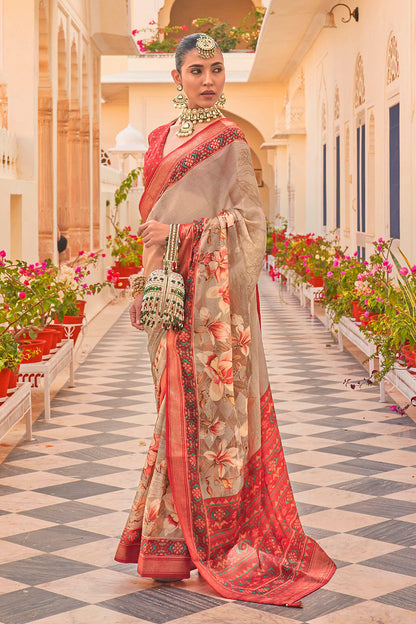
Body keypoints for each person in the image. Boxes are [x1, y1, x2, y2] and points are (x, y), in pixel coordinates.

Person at [115, 33, 336, 607]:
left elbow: (250, 224)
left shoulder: (232, 142)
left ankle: (196, 540)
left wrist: (184, 235)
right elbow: (151, 223)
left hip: (212, 306)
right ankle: (166, 539)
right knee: (169, 411)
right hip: (166, 295)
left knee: (209, 418)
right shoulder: (159, 141)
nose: (208, 79)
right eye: (196, 70)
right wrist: (144, 283)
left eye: (216, 69)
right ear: (177, 78)